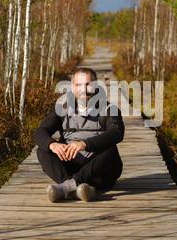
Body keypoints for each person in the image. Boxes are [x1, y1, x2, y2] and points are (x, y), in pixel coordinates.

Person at [34, 67, 124, 202]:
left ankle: (67, 187)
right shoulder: (61, 108)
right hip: (70, 166)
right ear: (72, 87)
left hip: (99, 171)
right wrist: (52, 145)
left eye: (88, 84)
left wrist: (85, 144)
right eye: (78, 85)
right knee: (42, 150)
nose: (83, 89)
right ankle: (80, 189)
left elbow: (116, 132)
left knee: (110, 149)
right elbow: (40, 132)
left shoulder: (109, 109)